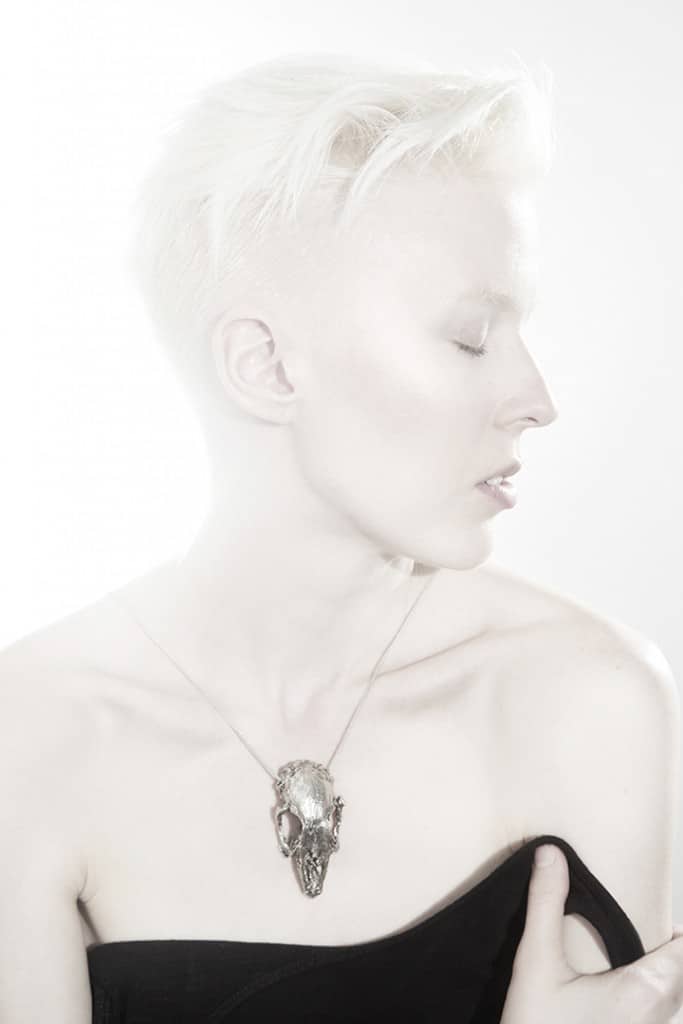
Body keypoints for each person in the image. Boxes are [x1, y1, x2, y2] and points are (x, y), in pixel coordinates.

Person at [1, 51, 681, 1024]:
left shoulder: (586, 697)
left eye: (520, 330)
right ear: (265, 365)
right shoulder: (29, 732)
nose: (533, 400)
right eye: (468, 336)